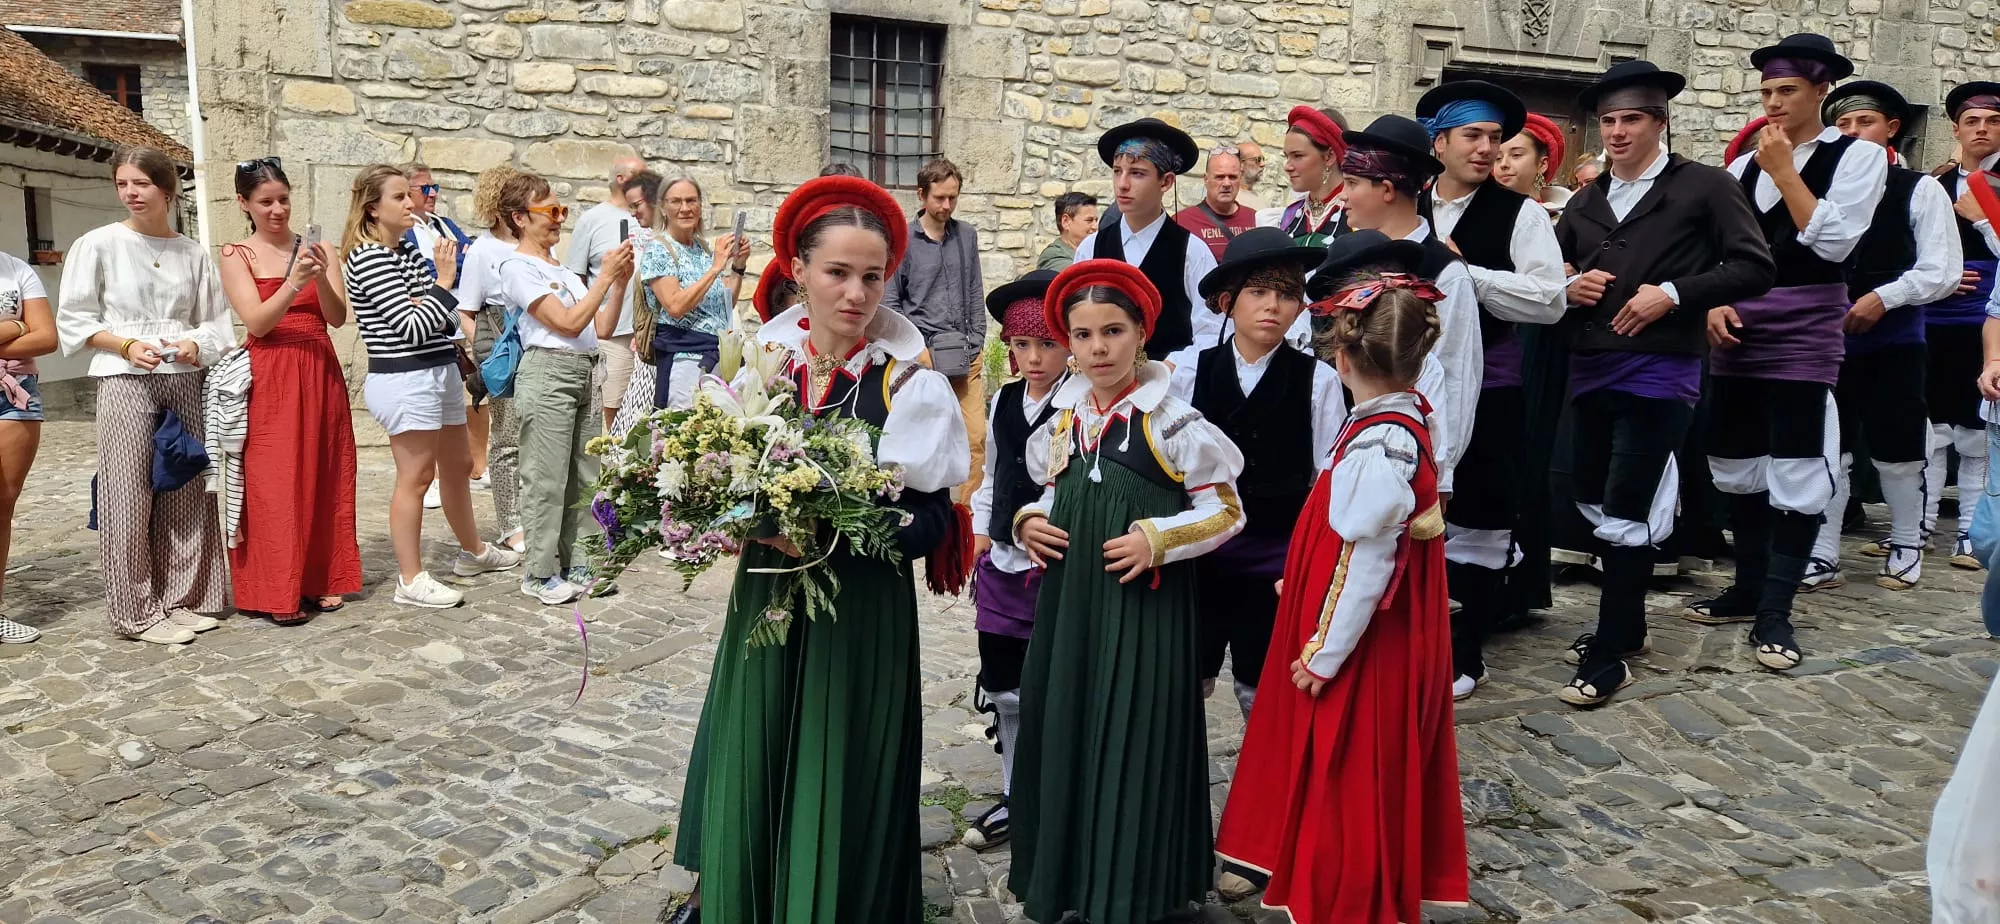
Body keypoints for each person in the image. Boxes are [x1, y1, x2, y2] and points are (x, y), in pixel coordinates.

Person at [667, 175, 969, 923]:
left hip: (860, 610)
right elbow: (715, 480)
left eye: (872, 277)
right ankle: (739, 891)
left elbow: (933, 521)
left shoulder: (908, 384)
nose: (856, 293)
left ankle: (835, 901)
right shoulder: (754, 366)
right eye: (837, 272)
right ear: (797, 269)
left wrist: (832, 530)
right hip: (768, 588)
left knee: (845, 754)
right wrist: (738, 517)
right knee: (758, 734)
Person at [1213, 235, 1466, 923]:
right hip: (1367, 626)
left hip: (1362, 646)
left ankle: (1346, 895)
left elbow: (1366, 561)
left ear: (1343, 357)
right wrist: (1296, 580)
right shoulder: (1403, 419)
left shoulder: (1376, 446)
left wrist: (1322, 652)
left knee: (1349, 770)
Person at [1008, 259, 1245, 924]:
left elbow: (1227, 510)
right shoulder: (1064, 422)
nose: (1098, 349)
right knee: (1071, 728)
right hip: (1072, 607)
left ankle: (1137, 890)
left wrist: (1158, 538)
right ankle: (1073, 880)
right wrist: (1029, 520)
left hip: (1145, 610)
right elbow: (1049, 491)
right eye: (1081, 336)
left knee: (1134, 738)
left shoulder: (1172, 421)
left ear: (1142, 331)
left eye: (1113, 331)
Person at [1554, 60, 1775, 707]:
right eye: (1609, 121)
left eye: (1632, 119)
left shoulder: (1702, 186)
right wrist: (1570, 283)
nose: (1618, 132)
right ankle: (1627, 622)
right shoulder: (1585, 201)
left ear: (1660, 121)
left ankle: (1608, 653)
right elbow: (1555, 263)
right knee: (1592, 499)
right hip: (1590, 365)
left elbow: (1754, 266)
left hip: (1662, 371)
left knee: (1626, 506)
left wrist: (1674, 294)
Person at [1700, 34, 1886, 674]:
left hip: (1806, 322)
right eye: (1766, 93)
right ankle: (1749, 585)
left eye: (1787, 91)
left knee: (1799, 459)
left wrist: (1784, 169)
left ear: (1819, 92)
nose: (1774, 103)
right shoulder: (1738, 169)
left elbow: (1833, 245)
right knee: (1737, 456)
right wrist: (1710, 302)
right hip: (1740, 322)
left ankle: (1777, 607)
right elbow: (1715, 252)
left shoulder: (1858, 157)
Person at [1414, 79, 1568, 699]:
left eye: (1496, 139)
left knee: (1479, 516)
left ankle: (1465, 650)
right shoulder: (1407, 203)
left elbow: (1551, 299)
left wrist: (1463, 272)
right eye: (1473, 136)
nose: (1488, 150)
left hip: (1491, 384)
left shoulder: (1519, 212)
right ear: (1439, 142)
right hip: (1405, 385)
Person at [56, 146, 233, 644]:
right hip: (122, 377)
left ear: (166, 190)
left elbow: (217, 325)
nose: (131, 193)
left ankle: (183, 597)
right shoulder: (98, 244)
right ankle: (137, 609)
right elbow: (75, 318)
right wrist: (127, 344)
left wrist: (194, 342)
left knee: (184, 486)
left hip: (183, 377)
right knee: (128, 492)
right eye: (122, 184)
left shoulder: (193, 252)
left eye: (142, 184)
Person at [1171, 228, 1345, 721]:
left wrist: (1306, 563)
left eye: (1287, 294)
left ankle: (1264, 790)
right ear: (1228, 302)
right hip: (1200, 552)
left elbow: (1323, 479)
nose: (1273, 306)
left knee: (1260, 682)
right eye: (1259, 292)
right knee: (1187, 676)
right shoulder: (1189, 372)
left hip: (1275, 559)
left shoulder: (1319, 379)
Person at [1804, 81, 1962, 592]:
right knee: (1829, 447)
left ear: (1891, 129)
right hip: (1825, 340)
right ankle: (1823, 548)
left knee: (1898, 448)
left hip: (1894, 339)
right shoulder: (1819, 189)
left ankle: (1905, 540)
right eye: (1843, 126)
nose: (1852, 134)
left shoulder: (1919, 188)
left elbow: (1942, 269)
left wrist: (1883, 299)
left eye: (1863, 123)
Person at [342, 164, 521, 608]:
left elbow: (443, 319)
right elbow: (412, 325)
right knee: (417, 477)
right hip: (406, 376)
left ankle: (474, 551)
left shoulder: (403, 251)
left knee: (457, 465)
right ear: (372, 207)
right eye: (400, 196)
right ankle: (410, 578)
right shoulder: (368, 257)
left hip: (436, 370)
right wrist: (442, 283)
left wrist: (434, 298)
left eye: (411, 194)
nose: (412, 203)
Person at [216, 157, 362, 626]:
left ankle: (321, 578)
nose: (277, 210)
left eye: (283, 199)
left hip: (319, 365)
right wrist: (291, 283)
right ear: (245, 203)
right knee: (273, 480)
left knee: (325, 472)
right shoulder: (235, 254)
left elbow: (338, 317)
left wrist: (317, 274)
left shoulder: (320, 248)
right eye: (265, 202)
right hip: (271, 369)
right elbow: (257, 322)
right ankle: (276, 587)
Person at [961, 268, 1069, 853]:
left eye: (1047, 344)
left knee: (1052, 686)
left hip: (1054, 571)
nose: (1033, 357)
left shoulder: (1080, 406)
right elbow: (993, 478)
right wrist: (981, 534)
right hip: (1002, 567)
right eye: (1022, 345)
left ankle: (1055, 792)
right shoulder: (1003, 400)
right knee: (1005, 688)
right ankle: (1013, 793)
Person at [1337, 115, 1482, 525]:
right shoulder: (1342, 258)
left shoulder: (1445, 273)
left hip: (1407, 463)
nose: (1341, 197)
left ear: (1386, 189)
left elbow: (1456, 378)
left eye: (1351, 184)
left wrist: (1440, 474)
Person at [497, 173, 634, 605]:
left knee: (586, 475)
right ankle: (538, 572)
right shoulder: (518, 267)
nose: (558, 220)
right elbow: (567, 323)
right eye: (549, 212)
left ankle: (580, 562)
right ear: (520, 218)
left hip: (585, 370)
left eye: (562, 212)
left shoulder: (564, 272)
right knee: (546, 477)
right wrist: (603, 277)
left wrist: (621, 281)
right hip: (548, 372)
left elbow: (602, 327)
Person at [1916, 81, 2000, 572]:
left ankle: (1971, 530)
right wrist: (1939, 279)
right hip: (1934, 316)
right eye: (1973, 121)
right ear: (1957, 129)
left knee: (1976, 427)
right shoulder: (1937, 182)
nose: (1982, 129)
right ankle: (1921, 526)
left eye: (1992, 121)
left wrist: (1984, 220)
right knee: (1933, 423)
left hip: (1989, 319)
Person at [1071, 118, 1220, 373]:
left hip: (1171, 391)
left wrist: (1170, 368)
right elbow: (1074, 320)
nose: (1123, 184)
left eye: (1137, 173)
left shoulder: (1192, 252)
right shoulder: (1091, 248)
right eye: (1117, 171)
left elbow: (1211, 331)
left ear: (1166, 182)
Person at [883, 158, 988, 501]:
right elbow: (891, 301)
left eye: (953, 198)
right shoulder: (902, 240)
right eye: (939, 198)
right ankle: (924, 516)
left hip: (964, 355)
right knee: (924, 444)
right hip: (920, 360)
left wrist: (977, 342)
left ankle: (969, 524)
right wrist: (917, 351)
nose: (946, 206)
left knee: (975, 439)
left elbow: (975, 290)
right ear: (921, 195)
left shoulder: (966, 235)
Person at [450, 164, 529, 553]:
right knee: (507, 439)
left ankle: (536, 516)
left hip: (539, 341)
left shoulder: (533, 244)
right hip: (505, 345)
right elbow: (467, 311)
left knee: (537, 438)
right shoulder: (483, 249)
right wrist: (492, 353)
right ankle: (510, 522)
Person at [404, 163, 481, 508]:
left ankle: (475, 466)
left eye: (434, 187)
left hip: (454, 309)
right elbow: (428, 272)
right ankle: (431, 476)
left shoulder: (443, 224)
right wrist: (444, 268)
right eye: (425, 189)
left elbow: (467, 258)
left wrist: (448, 266)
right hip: (430, 315)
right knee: (428, 402)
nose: (433, 193)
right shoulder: (406, 231)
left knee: (466, 392)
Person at [644, 176, 746, 412]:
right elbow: (675, 306)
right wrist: (716, 267)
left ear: (700, 206)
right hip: (685, 360)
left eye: (691, 201)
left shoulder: (701, 249)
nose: (685, 208)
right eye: (676, 201)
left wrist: (738, 266)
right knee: (684, 436)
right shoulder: (660, 249)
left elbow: (724, 305)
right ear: (663, 207)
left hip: (717, 359)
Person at [564, 155, 650, 429]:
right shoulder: (593, 219)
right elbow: (575, 276)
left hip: (650, 331)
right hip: (614, 334)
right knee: (612, 412)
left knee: (647, 413)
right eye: (641, 175)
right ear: (621, 180)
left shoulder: (651, 217)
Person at [0, 245, 57, 643]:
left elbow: (48, 337)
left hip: (16, 392)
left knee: (3, 501)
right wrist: (18, 327)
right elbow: (32, 330)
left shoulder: (16, 269)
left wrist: (28, 331)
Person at [606, 170, 664, 437]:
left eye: (637, 205)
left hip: (659, 345)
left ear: (655, 200)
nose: (633, 213)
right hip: (644, 342)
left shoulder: (665, 243)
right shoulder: (651, 240)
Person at [1272, 105, 1350, 247]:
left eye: (1298, 156)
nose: (1287, 166)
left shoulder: (1356, 213)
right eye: (1287, 156)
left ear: (1329, 156)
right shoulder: (1290, 215)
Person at [1174, 149, 1257, 259]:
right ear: (1206, 179)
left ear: (1240, 179)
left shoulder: (1255, 218)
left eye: (1232, 177)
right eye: (1219, 177)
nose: (1227, 183)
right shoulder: (1181, 222)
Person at [1495, 112, 1572, 215]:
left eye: (1516, 155)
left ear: (1542, 164)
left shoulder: (1563, 216)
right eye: (1498, 158)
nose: (1503, 164)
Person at [1037, 191, 1100, 271]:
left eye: (1096, 220)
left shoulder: (1095, 250)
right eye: (1089, 220)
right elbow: (1078, 275)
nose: (1095, 227)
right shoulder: (1053, 256)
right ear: (1066, 222)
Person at [1235, 140, 1269, 212]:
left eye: (1263, 159)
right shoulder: (1231, 199)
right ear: (1241, 164)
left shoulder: (1262, 199)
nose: (1263, 164)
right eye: (1258, 159)